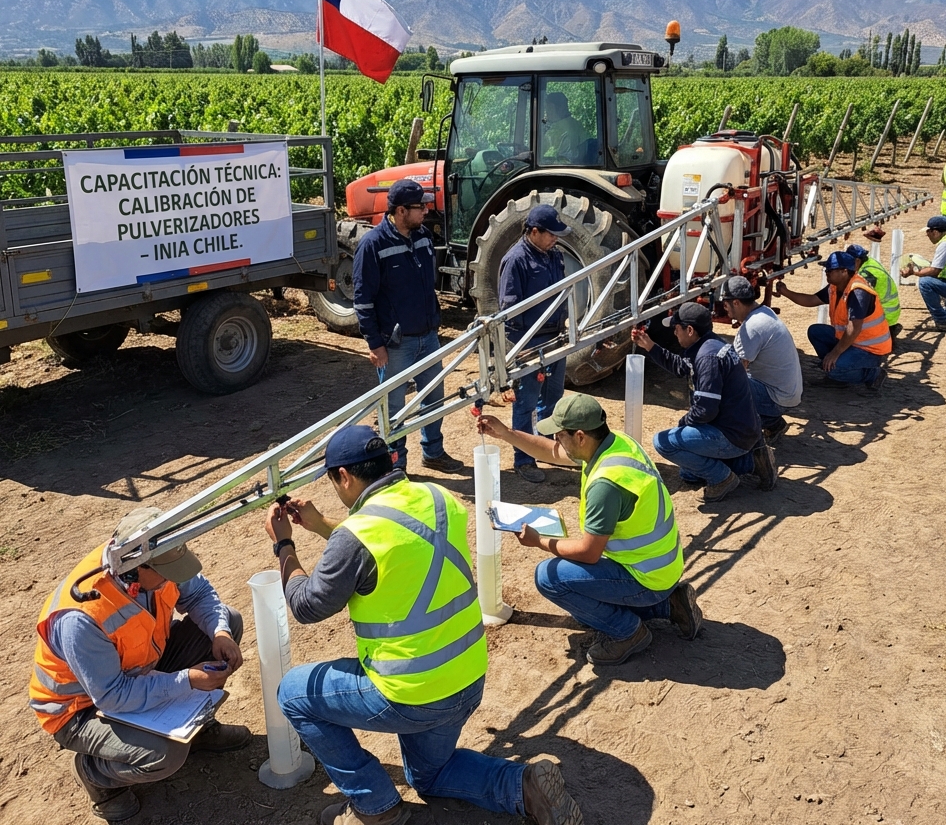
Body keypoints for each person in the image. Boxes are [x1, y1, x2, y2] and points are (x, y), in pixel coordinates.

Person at [265, 425, 582, 825]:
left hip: (411, 692)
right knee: (429, 775)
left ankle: (375, 806)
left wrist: (284, 546)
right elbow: (395, 545)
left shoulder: (355, 537)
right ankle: (523, 787)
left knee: (294, 693)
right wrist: (323, 524)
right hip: (466, 678)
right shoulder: (438, 497)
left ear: (343, 476)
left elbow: (307, 605)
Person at [29, 507, 249, 822]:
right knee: (164, 756)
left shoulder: (156, 561)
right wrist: (186, 679)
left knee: (231, 620)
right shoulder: (82, 617)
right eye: (166, 571)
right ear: (133, 568)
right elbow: (113, 696)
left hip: (140, 670)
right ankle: (97, 775)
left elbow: (199, 593)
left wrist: (221, 631)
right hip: (80, 710)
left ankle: (196, 730)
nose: (174, 577)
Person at [476, 394, 703, 667]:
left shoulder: (606, 484)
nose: (557, 441)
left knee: (550, 578)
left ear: (581, 436)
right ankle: (669, 606)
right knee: (579, 583)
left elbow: (588, 552)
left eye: (560, 435)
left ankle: (628, 632)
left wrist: (540, 541)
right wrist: (506, 433)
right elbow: (551, 452)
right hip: (660, 566)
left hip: (646, 576)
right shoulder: (616, 443)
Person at [353, 178, 461, 474]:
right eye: (420, 207)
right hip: (395, 344)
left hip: (428, 336)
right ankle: (396, 465)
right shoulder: (372, 245)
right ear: (401, 210)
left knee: (434, 398)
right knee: (394, 408)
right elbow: (363, 301)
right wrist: (375, 343)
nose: (426, 211)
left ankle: (433, 452)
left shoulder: (423, 237)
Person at [632, 302, 776, 502]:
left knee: (664, 443)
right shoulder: (709, 343)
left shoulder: (707, 357)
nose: (675, 333)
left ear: (690, 330)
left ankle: (722, 479)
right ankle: (750, 462)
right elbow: (681, 367)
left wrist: (683, 424)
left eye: (677, 328)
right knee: (688, 473)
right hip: (740, 430)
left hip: (731, 434)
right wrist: (649, 346)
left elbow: (705, 410)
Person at [498, 203, 571, 482]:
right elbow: (509, 309)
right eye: (551, 234)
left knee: (553, 396)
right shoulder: (515, 260)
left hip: (555, 337)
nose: (555, 239)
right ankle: (524, 458)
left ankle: (546, 446)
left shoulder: (554, 256)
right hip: (528, 341)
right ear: (535, 231)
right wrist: (519, 349)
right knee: (526, 402)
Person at [776, 251, 891, 389]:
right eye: (826, 268)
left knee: (835, 370)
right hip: (851, 341)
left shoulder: (858, 291)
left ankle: (873, 374)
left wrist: (835, 353)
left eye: (830, 269)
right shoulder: (835, 287)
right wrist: (785, 292)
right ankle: (837, 372)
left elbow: (854, 328)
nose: (827, 272)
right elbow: (811, 300)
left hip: (870, 349)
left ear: (844, 271)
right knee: (816, 331)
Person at [720, 276, 802, 443]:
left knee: (724, 388)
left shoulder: (751, 328)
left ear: (736, 303)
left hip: (777, 398)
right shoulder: (764, 312)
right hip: (786, 392)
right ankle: (772, 421)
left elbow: (737, 373)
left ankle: (762, 425)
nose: (724, 308)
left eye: (725, 303)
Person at [846, 244, 901, 339]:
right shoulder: (870, 262)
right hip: (891, 310)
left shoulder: (867, 274)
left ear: (857, 261)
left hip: (886, 315)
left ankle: (886, 333)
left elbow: (861, 296)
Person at [542, 91, 587, 163]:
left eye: (547, 108)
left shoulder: (554, 131)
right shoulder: (577, 124)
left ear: (552, 107)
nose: (546, 112)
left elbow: (538, 155)